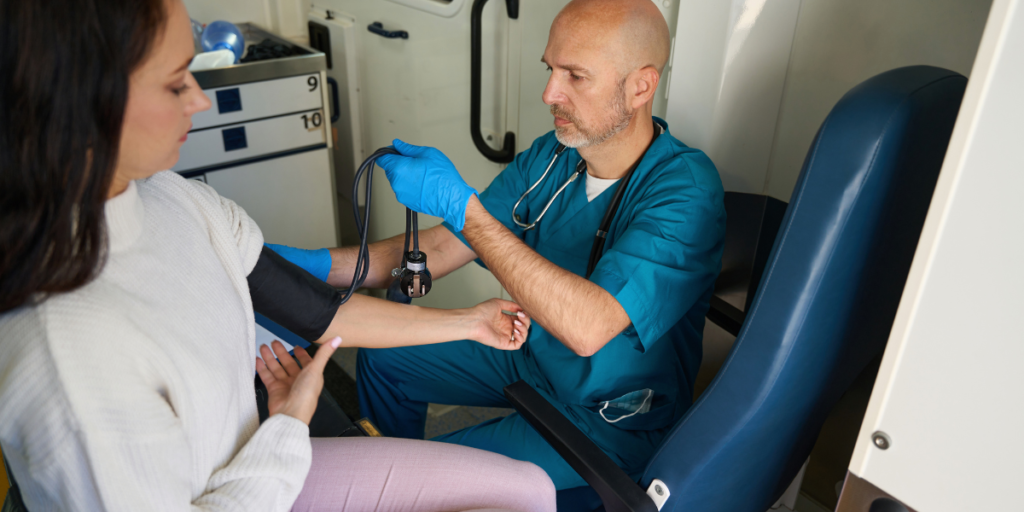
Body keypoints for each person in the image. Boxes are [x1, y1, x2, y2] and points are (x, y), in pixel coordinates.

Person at [0, 0, 556, 510]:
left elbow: (324, 312)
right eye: (175, 85)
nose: (200, 97)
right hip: (252, 480)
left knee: (527, 489)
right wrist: (290, 424)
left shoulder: (176, 198)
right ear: (80, 101)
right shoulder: (66, 361)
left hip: (257, 457)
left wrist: (471, 321)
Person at [277, 0, 727, 490]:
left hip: (609, 414)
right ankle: (388, 479)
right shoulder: (554, 157)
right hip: (533, 352)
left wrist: (465, 208)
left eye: (575, 76)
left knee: (426, 479)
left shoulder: (686, 191)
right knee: (386, 359)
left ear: (640, 86)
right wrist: (307, 268)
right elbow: (446, 246)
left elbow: (588, 327)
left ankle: (404, 487)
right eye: (550, 69)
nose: (549, 93)